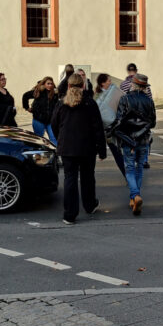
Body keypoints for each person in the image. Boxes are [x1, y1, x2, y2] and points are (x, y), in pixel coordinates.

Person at [51, 73, 106, 225]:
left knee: (70, 179)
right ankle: (89, 205)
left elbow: (54, 124)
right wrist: (102, 150)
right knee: (88, 177)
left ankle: (70, 214)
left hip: (67, 147)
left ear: (68, 86)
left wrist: (61, 139)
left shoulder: (61, 103)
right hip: (87, 147)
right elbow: (98, 128)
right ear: (83, 85)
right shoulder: (89, 103)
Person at [110, 74, 156, 215]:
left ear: (133, 85)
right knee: (139, 168)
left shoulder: (125, 99)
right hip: (143, 140)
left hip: (128, 140)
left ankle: (135, 195)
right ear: (144, 87)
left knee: (129, 169)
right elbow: (153, 122)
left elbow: (119, 121)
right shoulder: (149, 101)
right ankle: (134, 197)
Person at [119, 63, 153, 167]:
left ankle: (130, 160)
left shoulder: (123, 84)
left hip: (129, 118)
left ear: (128, 71)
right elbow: (150, 100)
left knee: (129, 139)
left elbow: (121, 101)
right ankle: (144, 160)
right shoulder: (144, 83)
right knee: (145, 137)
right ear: (136, 70)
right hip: (144, 118)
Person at [94, 73, 126, 177]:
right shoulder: (96, 95)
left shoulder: (115, 91)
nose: (110, 82)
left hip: (117, 126)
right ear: (102, 83)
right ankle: (127, 174)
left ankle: (128, 174)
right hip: (105, 130)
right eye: (108, 80)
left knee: (122, 153)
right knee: (117, 153)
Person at [21, 77, 59, 144]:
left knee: (54, 138)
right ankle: (39, 154)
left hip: (50, 121)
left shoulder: (55, 94)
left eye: (51, 84)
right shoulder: (38, 92)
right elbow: (25, 96)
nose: (50, 85)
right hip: (38, 120)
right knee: (39, 139)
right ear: (44, 84)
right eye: (48, 83)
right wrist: (27, 107)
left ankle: (56, 153)